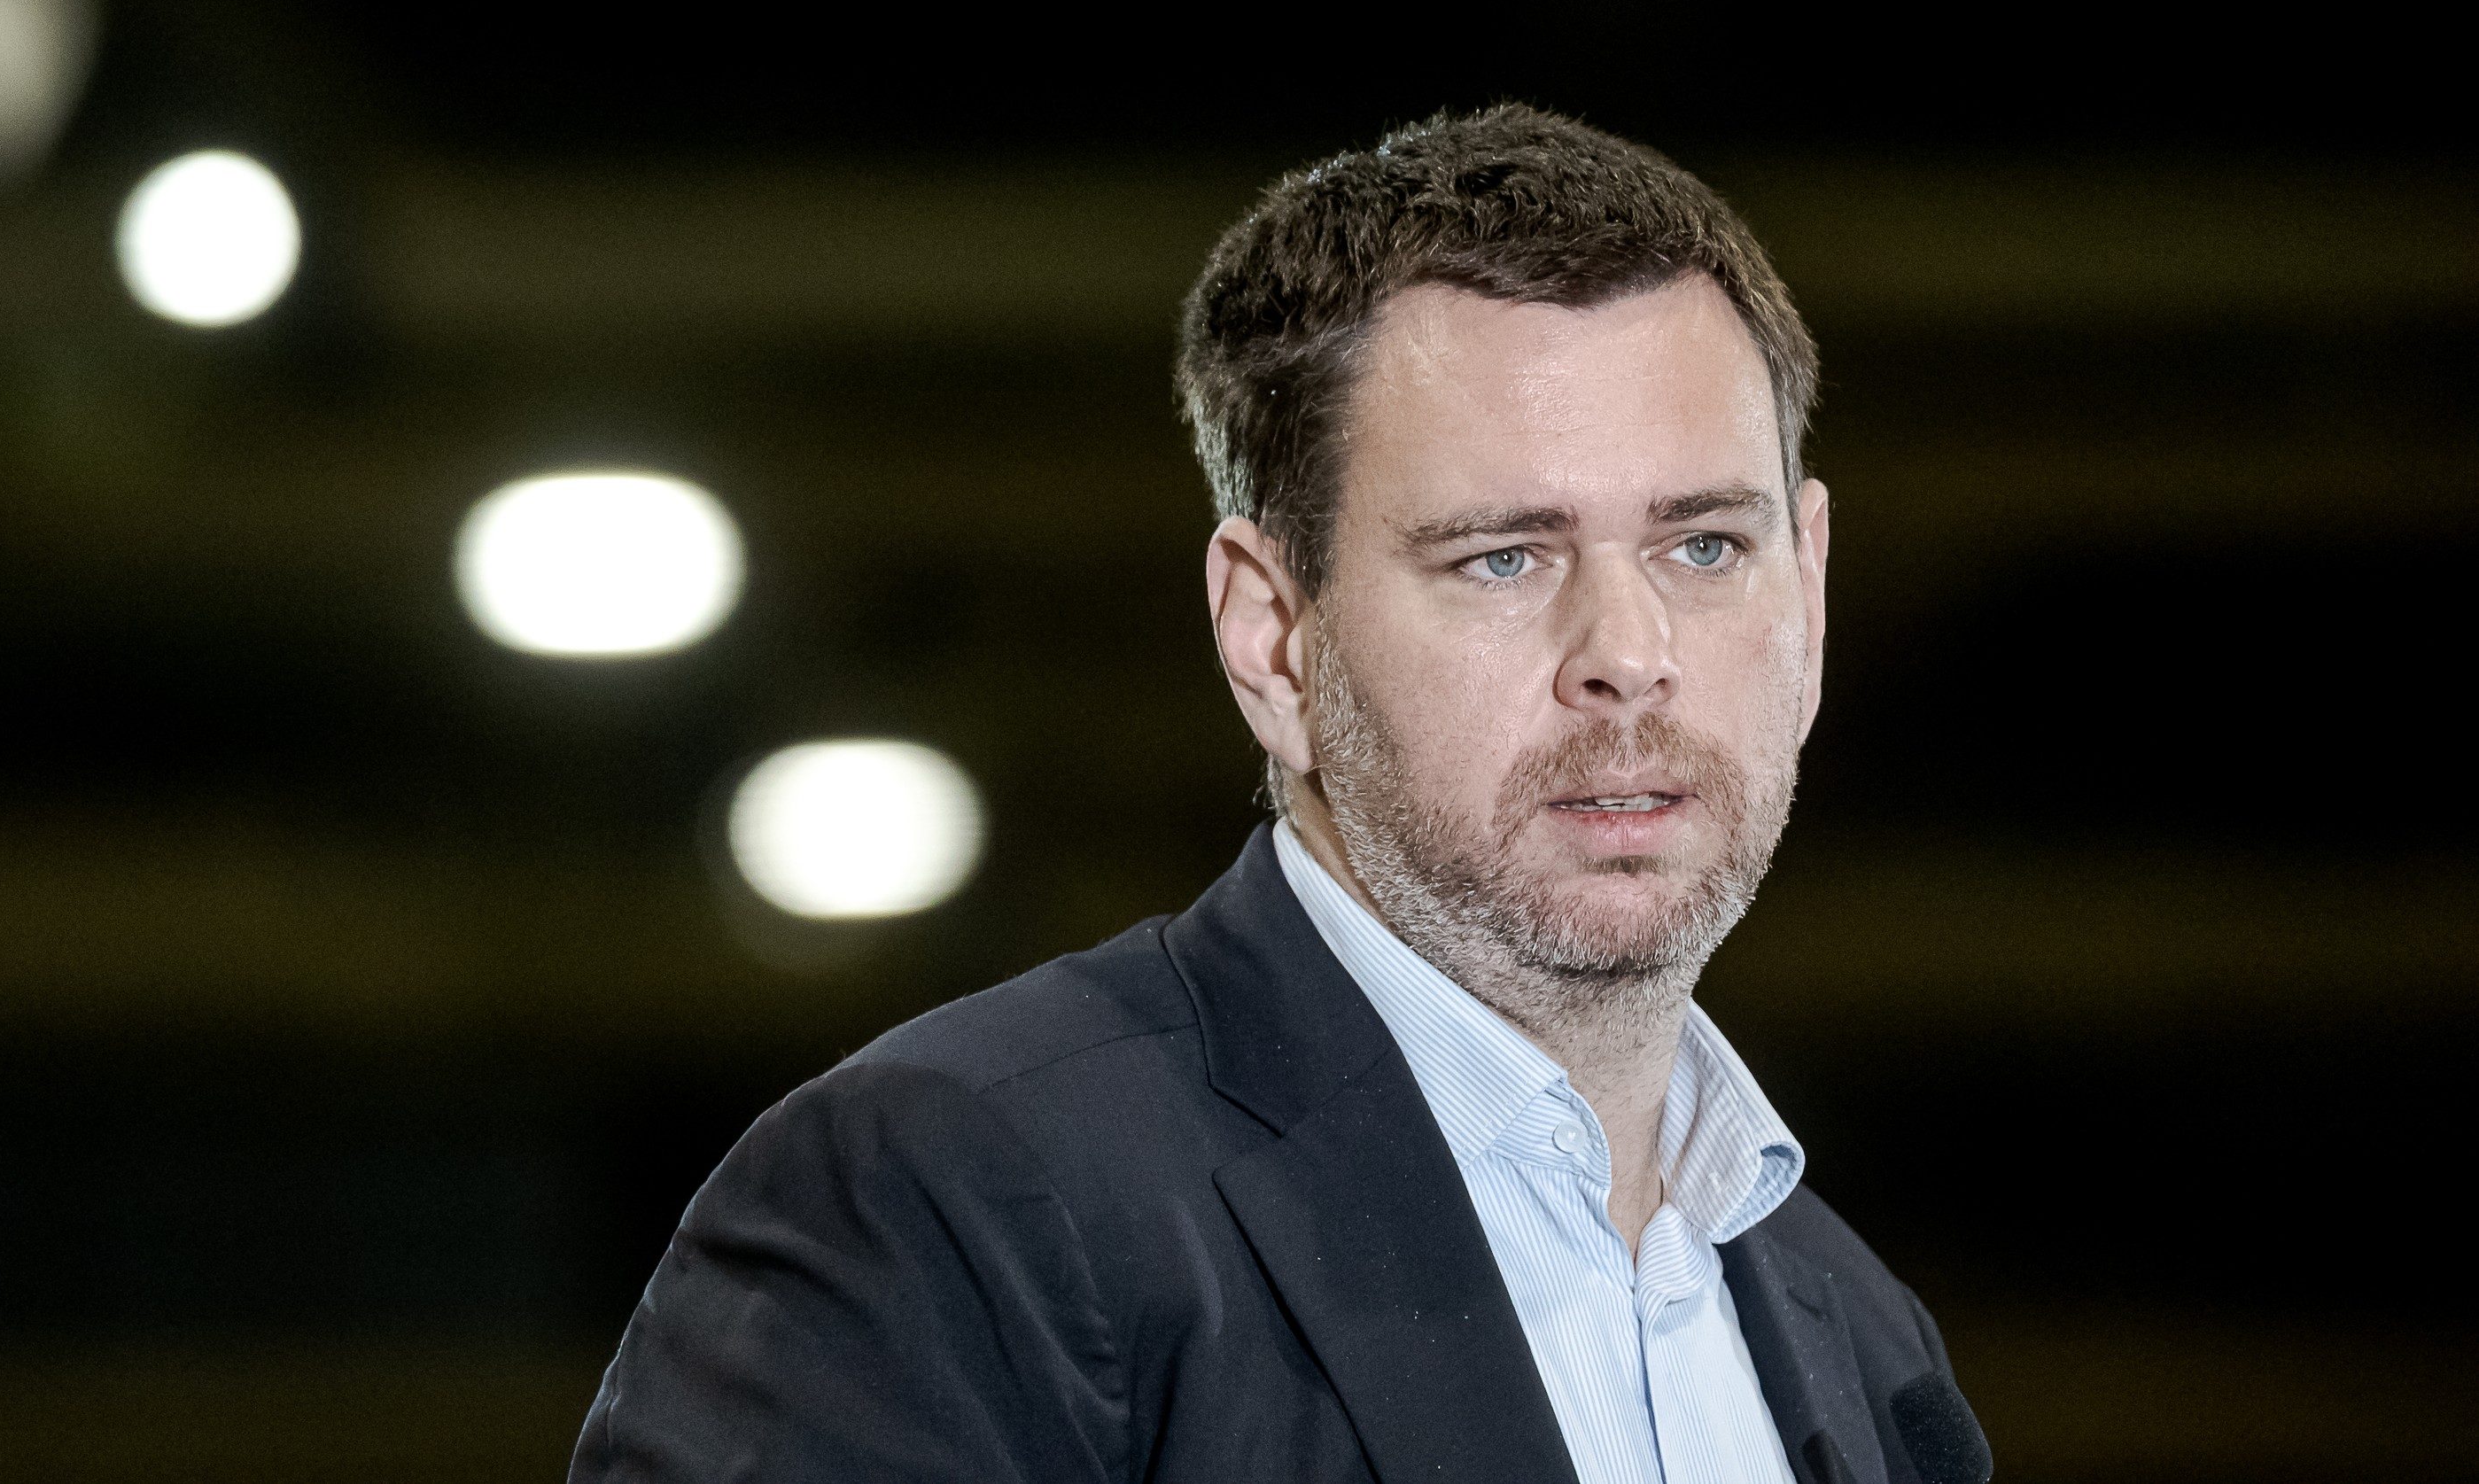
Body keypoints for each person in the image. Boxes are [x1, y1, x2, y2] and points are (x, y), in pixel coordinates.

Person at [568, 105, 1988, 1484]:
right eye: (1504, 557)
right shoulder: (952, 1200)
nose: (1628, 652)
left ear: (1809, 587)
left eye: (1705, 546)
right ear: (1272, 636)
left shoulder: (1869, 1352)